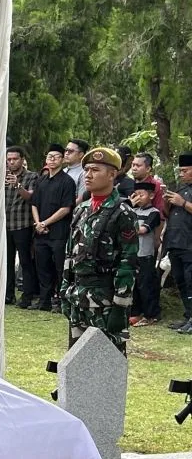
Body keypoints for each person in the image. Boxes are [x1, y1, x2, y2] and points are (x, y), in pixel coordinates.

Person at [60, 147, 138, 354]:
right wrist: (64, 291)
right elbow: (70, 254)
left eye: (95, 170)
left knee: (108, 360)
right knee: (76, 359)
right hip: (78, 297)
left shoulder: (123, 212)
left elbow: (128, 262)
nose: (88, 175)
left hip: (105, 301)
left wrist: (120, 306)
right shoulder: (81, 209)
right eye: (86, 170)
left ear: (112, 174)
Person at [31, 144, 78, 312]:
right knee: (42, 267)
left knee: (59, 267)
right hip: (40, 232)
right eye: (49, 156)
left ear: (63, 160)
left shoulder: (67, 182)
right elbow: (34, 204)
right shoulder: (41, 180)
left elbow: (66, 208)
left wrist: (46, 223)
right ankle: (44, 300)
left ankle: (60, 300)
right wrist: (38, 223)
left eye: (56, 157)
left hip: (58, 232)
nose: (51, 160)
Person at [6, 145, 39, 308]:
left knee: (25, 262)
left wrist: (18, 185)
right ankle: (8, 294)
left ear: (22, 159)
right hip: (5, 225)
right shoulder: (3, 176)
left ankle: (27, 295)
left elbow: (31, 197)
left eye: (15, 159)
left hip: (23, 224)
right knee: (6, 261)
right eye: (9, 159)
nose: (11, 162)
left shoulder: (32, 176)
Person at [164, 154, 192, 334]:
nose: (181, 174)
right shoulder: (180, 189)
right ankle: (188, 316)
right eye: (180, 171)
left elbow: (184, 206)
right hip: (175, 242)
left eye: (185, 170)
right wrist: (167, 203)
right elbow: (168, 214)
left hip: (189, 244)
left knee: (191, 282)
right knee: (181, 281)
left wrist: (183, 203)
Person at [128, 182, 162, 327]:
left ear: (152, 195)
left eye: (141, 195)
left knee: (146, 285)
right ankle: (135, 313)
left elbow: (142, 230)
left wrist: (127, 228)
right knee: (134, 285)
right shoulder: (132, 211)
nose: (138, 198)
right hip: (132, 254)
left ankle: (151, 315)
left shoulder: (154, 213)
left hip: (145, 254)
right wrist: (129, 206)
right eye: (136, 195)